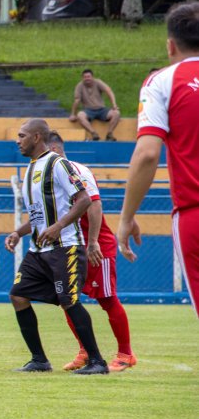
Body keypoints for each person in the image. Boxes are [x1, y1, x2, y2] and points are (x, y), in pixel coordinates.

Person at [4, 118, 108, 374]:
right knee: (18, 295)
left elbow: (83, 200)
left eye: (22, 135)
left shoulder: (58, 164)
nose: (17, 140)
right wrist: (18, 232)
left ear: (37, 137)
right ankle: (39, 359)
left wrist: (59, 226)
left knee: (69, 301)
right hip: (38, 250)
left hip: (66, 247)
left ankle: (97, 361)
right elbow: (40, 216)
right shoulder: (31, 169)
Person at [118, 1, 199, 318]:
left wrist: (126, 217)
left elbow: (148, 153)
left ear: (170, 45)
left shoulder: (161, 82)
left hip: (194, 213)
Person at [46, 131, 136, 371]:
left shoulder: (77, 170)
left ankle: (126, 354)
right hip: (69, 246)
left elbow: (94, 204)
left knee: (106, 299)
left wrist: (93, 242)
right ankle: (84, 351)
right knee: (67, 299)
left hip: (95, 246)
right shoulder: (47, 176)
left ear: (53, 151)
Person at [70, 69, 120, 141]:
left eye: (89, 76)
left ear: (92, 77)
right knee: (80, 115)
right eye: (85, 77)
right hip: (88, 110)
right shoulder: (79, 86)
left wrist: (114, 105)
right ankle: (93, 133)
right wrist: (73, 114)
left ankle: (110, 134)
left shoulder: (98, 82)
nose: (87, 78)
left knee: (116, 113)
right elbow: (77, 100)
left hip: (101, 109)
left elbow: (109, 91)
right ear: (82, 78)